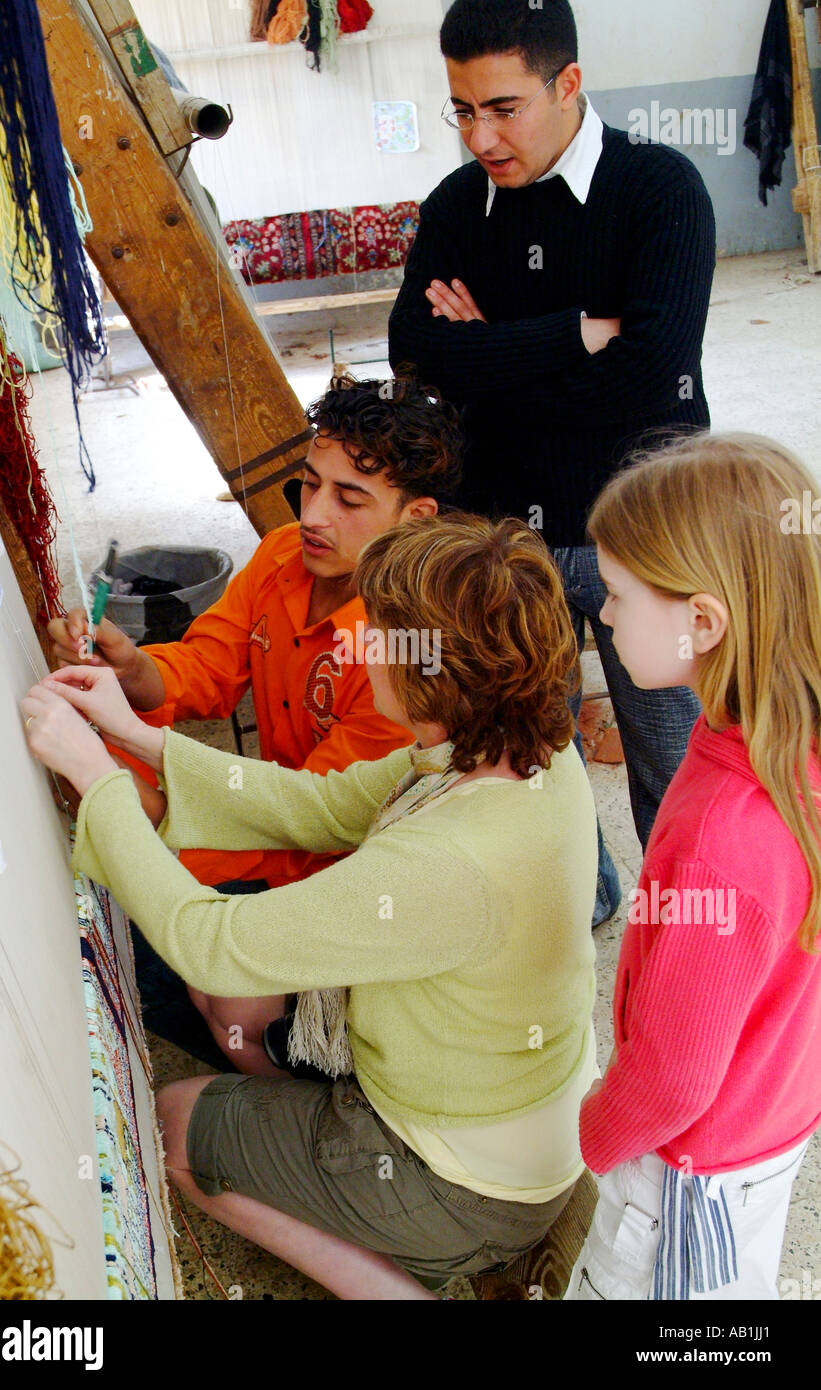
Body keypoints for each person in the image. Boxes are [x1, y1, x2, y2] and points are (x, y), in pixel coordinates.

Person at [23, 514, 598, 1299]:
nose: (362, 647)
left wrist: (103, 783)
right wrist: (133, 734)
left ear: (432, 668)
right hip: (513, 1122)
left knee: (174, 1128)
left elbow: (208, 938)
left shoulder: (447, 858)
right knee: (229, 1000)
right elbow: (320, 806)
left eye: (382, 634)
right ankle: (336, 1163)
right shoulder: (519, 746)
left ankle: (417, 1282)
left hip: (472, 1183)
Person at [389, 0, 717, 925]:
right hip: (501, 544)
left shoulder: (659, 190)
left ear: (567, 84)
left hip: (640, 543)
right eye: (459, 110)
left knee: (673, 759)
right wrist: (572, 333)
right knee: (531, 761)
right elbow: (414, 358)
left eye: (502, 107)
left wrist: (488, 355)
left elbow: (652, 379)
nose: (478, 135)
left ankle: (687, 941)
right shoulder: (458, 207)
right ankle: (590, 905)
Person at [47, 376, 463, 1076]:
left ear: (416, 517)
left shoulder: (405, 652)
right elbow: (208, 668)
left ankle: (303, 1070)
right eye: (309, 485)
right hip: (270, 821)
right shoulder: (279, 557)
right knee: (137, 921)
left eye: (349, 498)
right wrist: (131, 669)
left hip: (332, 865)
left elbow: (313, 814)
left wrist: (137, 800)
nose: (314, 514)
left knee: (153, 943)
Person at [563, 434, 821, 1300]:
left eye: (618, 596)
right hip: (769, 1124)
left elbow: (672, 1075)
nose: (601, 617)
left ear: (702, 621)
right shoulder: (786, 744)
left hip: (681, 1180)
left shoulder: (721, 837)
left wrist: (594, 1131)